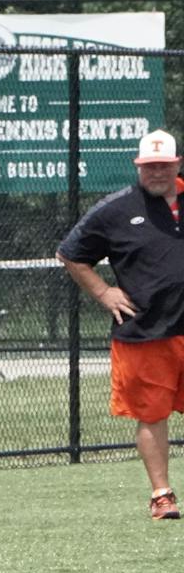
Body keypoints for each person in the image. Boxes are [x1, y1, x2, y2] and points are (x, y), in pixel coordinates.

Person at [59, 128, 184, 520]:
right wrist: (104, 294)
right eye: (150, 166)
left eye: (164, 165)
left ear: (178, 164)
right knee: (152, 414)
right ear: (138, 167)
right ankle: (161, 495)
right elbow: (69, 254)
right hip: (146, 333)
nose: (157, 172)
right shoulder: (115, 209)